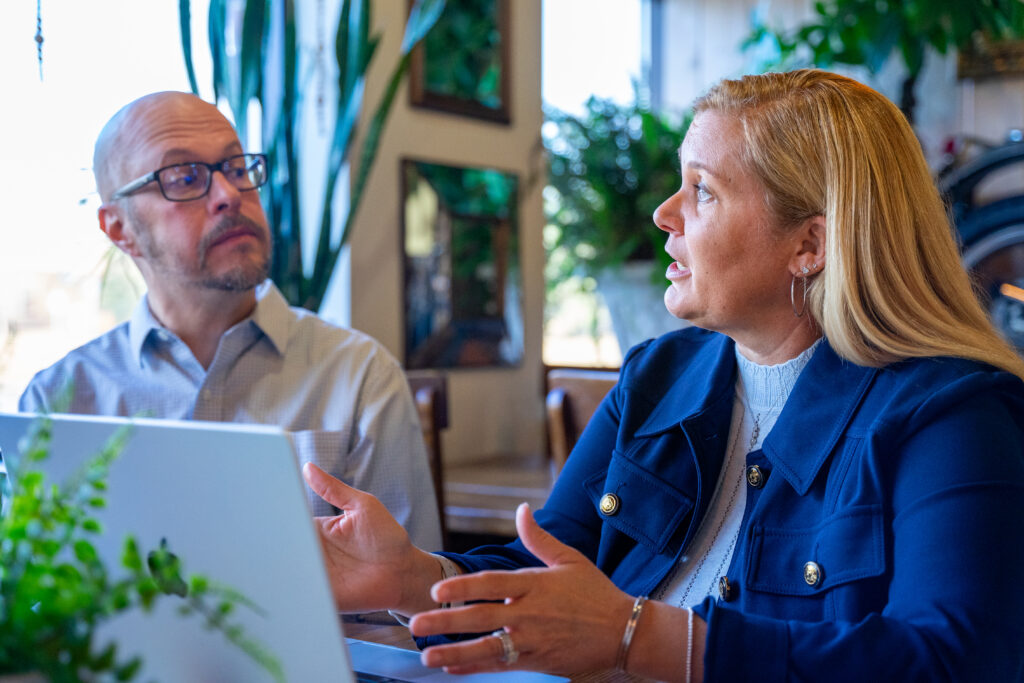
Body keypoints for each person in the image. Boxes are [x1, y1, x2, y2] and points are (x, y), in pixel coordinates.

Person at [301, 68, 1024, 681]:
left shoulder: (954, 412)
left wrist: (639, 635)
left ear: (811, 242)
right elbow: (549, 581)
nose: (663, 212)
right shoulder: (657, 376)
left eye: (702, 191)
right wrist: (412, 577)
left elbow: (953, 658)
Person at [20, 91, 442, 550]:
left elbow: (413, 604)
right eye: (183, 177)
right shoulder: (58, 403)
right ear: (119, 228)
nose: (229, 195)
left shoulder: (360, 378)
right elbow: (39, 610)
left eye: (238, 169)